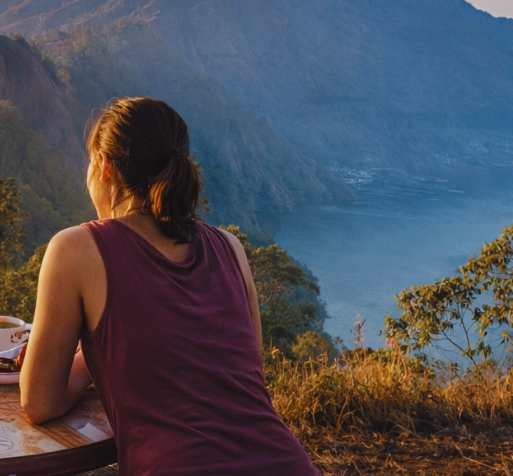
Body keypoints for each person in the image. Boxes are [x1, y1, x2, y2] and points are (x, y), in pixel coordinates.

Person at [20, 97, 318, 476]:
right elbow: (241, 375)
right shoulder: (230, 248)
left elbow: (39, 403)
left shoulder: (76, 249)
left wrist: (88, 362)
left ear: (105, 168)